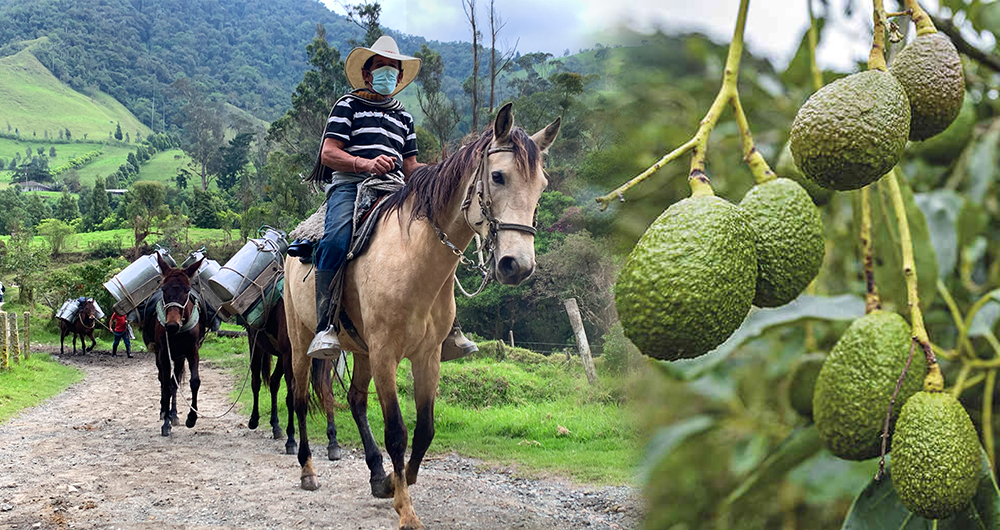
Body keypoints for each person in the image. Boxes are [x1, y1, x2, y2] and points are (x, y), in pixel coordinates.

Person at [303, 35, 478, 362]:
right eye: (381, 67)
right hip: (351, 186)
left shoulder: (404, 117)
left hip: (396, 191)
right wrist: (365, 164)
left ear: (399, 78)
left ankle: (448, 328)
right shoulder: (348, 105)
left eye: (393, 69)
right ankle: (325, 326)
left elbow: (410, 166)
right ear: (367, 74)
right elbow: (328, 153)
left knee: (437, 245)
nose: (388, 73)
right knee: (335, 241)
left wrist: (439, 174)